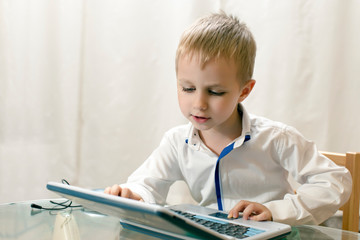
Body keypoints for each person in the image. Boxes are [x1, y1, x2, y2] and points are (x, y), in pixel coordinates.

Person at [105, 12, 352, 225]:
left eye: (215, 92)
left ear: (244, 91)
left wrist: (276, 211)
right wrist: (132, 194)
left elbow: (335, 182)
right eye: (188, 89)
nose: (199, 104)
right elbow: (147, 185)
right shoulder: (176, 141)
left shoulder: (276, 138)